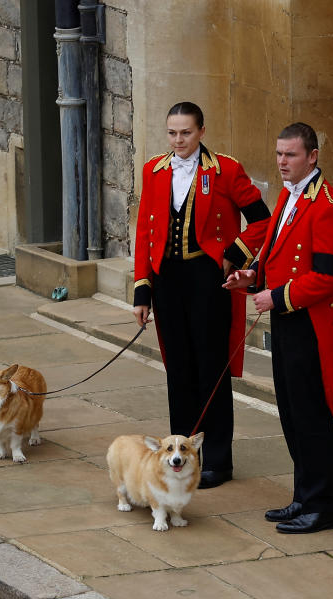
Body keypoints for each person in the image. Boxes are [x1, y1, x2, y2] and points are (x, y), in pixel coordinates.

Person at [132, 102, 272, 489]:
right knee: (178, 369)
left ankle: (219, 460)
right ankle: (181, 456)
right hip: (168, 282)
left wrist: (234, 255)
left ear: (201, 132)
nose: (178, 141)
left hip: (208, 280)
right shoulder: (154, 170)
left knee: (212, 370)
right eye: (172, 133)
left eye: (186, 133)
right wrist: (142, 289)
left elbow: (263, 219)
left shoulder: (225, 169)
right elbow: (145, 231)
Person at [223, 123, 333, 534]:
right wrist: (251, 277)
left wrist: (276, 297)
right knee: (291, 413)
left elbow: (326, 277)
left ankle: (323, 505)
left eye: (290, 155)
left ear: (312, 156)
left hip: (311, 326)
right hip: (288, 322)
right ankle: (303, 497)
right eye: (279, 154)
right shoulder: (287, 196)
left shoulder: (327, 205)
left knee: (311, 415)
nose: (281, 162)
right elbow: (275, 254)